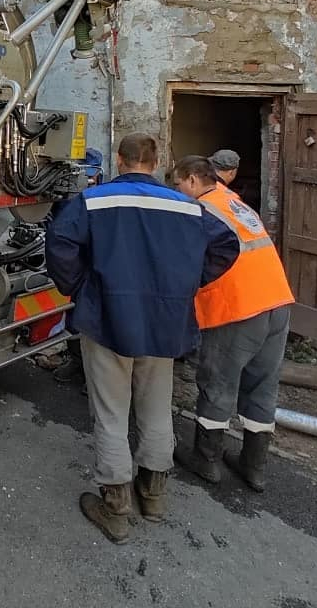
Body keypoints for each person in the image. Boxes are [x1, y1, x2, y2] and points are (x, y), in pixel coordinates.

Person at [45, 133, 239, 544]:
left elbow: (60, 244)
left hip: (108, 319)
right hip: (165, 323)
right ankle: (153, 497)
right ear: (156, 162)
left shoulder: (95, 201)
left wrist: (81, 289)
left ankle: (115, 507)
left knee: (112, 414)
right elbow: (227, 245)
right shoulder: (187, 207)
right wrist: (184, 286)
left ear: (119, 159)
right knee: (155, 408)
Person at [172, 155, 295, 493]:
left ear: (194, 181)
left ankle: (206, 458)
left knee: (218, 382)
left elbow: (187, 260)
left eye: (179, 185)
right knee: (262, 386)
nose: (179, 192)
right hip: (277, 301)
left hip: (238, 308)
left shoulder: (201, 210)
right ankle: (254, 468)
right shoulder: (236, 204)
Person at [53, 147, 105, 391]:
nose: (88, 179)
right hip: (78, 268)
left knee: (92, 322)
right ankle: (78, 364)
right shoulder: (66, 190)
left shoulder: (95, 197)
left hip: (91, 268)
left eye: (92, 174)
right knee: (77, 318)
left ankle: (92, 376)